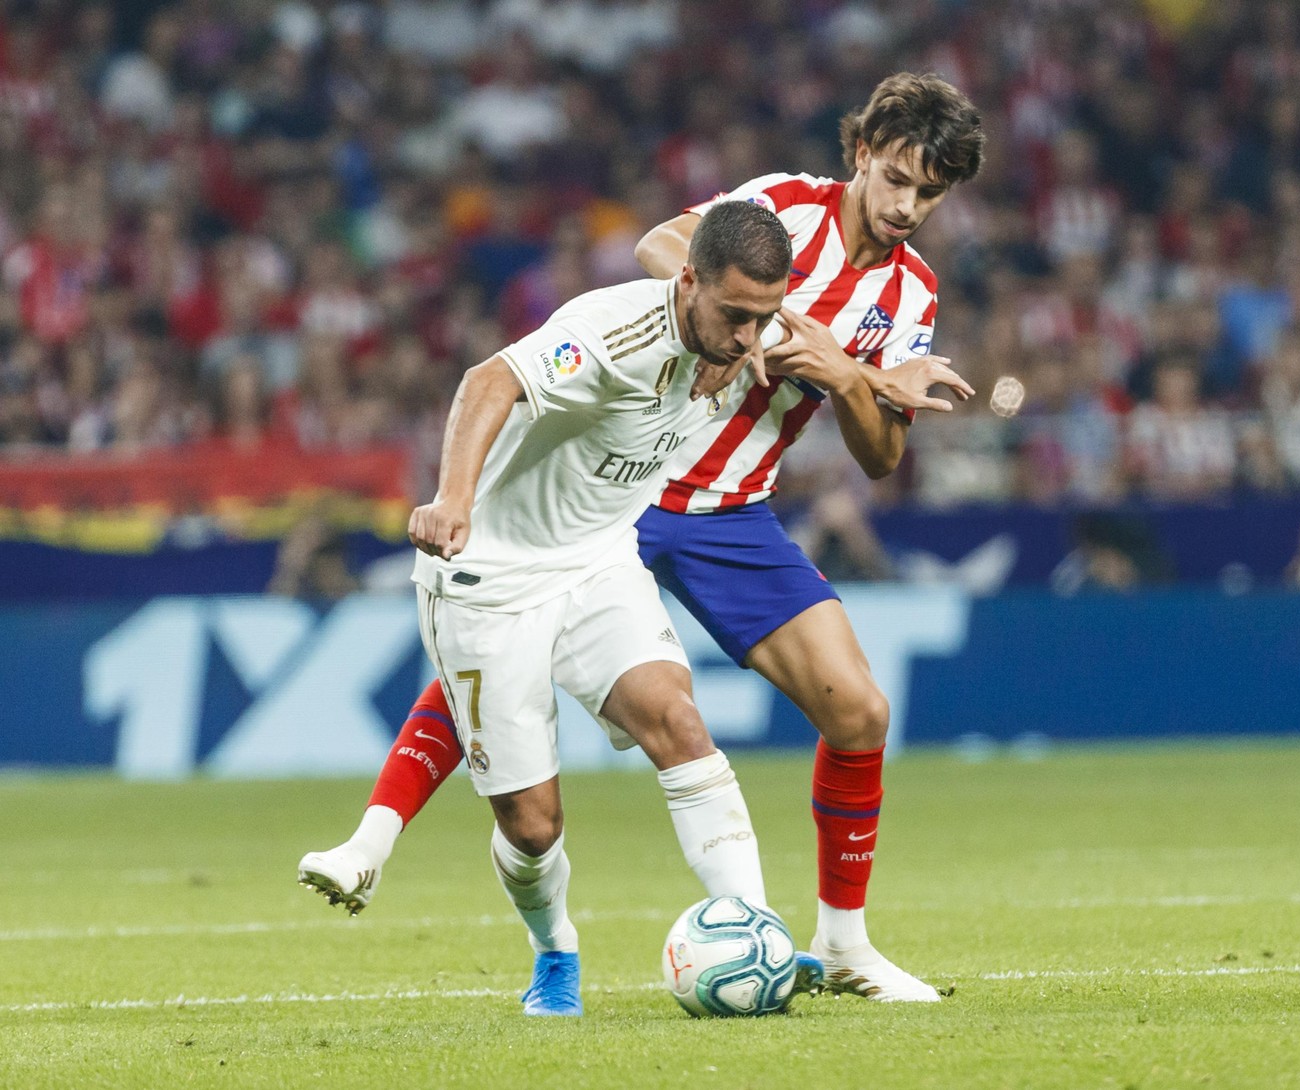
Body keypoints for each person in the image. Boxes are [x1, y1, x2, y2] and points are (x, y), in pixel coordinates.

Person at [300, 72, 984, 1003]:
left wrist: (850, 378)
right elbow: (668, 246)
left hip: (731, 511)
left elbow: (878, 455)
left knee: (859, 711)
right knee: (507, 649)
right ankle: (388, 842)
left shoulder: (913, 293)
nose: (909, 205)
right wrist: (806, 336)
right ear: (862, 152)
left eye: (931, 192)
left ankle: (846, 942)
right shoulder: (784, 207)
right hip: (629, 478)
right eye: (898, 177)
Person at [302, 200, 809, 1018]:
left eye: (765, 319)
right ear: (687, 282)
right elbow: (487, 381)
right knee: (534, 828)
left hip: (599, 560)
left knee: (676, 720)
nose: (751, 339)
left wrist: (877, 381)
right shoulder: (614, 333)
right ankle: (555, 951)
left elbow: (804, 346)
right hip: (490, 574)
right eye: (736, 317)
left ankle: (758, 932)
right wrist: (453, 498)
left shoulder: (746, 335)